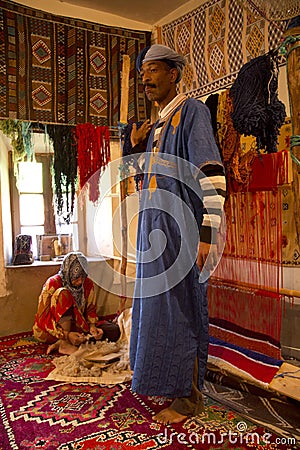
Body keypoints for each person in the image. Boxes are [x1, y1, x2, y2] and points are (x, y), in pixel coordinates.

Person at [129, 44, 226, 424]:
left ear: (174, 74)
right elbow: (146, 181)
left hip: (183, 231)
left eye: (154, 70)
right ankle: (165, 383)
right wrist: (137, 147)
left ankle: (189, 399)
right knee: (157, 313)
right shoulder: (156, 126)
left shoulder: (192, 112)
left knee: (182, 312)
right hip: (156, 231)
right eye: (143, 72)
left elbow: (212, 174)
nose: (147, 78)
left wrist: (206, 235)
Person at [33, 251, 120, 354]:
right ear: (68, 272)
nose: (80, 282)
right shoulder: (53, 283)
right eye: (76, 278)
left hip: (77, 328)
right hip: (51, 331)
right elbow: (43, 319)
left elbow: (90, 310)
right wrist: (66, 335)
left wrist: (93, 327)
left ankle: (62, 343)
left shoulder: (87, 283)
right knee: (64, 294)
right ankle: (65, 344)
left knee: (114, 330)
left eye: (82, 277)